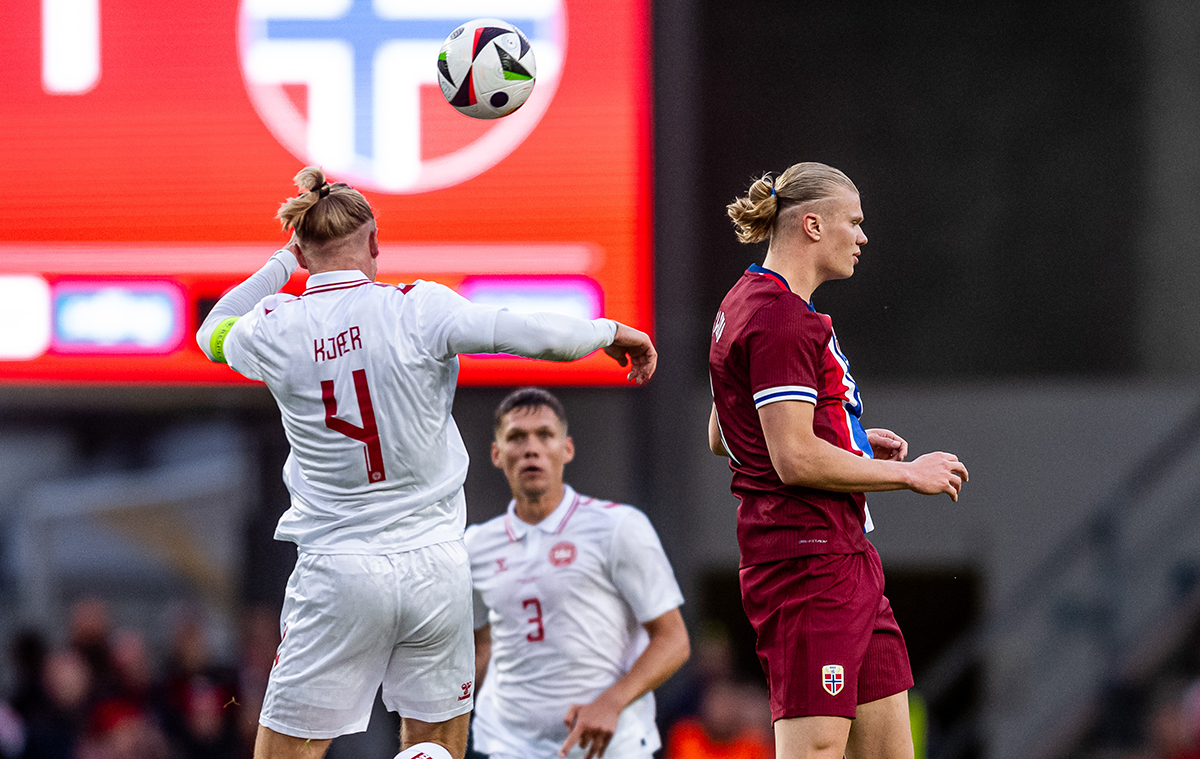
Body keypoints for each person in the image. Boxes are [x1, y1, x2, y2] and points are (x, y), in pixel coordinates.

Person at [195, 167, 657, 759]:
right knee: (436, 748)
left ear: (306, 253)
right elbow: (541, 337)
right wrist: (611, 331)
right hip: (436, 569)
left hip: (339, 571)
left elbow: (212, 329)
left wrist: (284, 265)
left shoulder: (275, 327)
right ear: (375, 244)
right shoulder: (419, 307)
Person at [706, 162, 968, 759]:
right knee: (816, 750)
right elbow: (793, 458)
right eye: (855, 221)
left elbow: (728, 433)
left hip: (844, 558)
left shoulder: (745, 300)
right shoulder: (780, 318)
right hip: (805, 563)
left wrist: (847, 434)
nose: (863, 236)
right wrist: (909, 474)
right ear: (814, 225)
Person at [465, 388, 690, 759]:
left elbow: (673, 639)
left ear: (566, 448)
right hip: (510, 747)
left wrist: (611, 703)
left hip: (609, 746)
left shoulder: (618, 527)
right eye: (516, 437)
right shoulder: (475, 546)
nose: (531, 448)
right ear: (496, 454)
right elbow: (479, 644)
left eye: (544, 435)